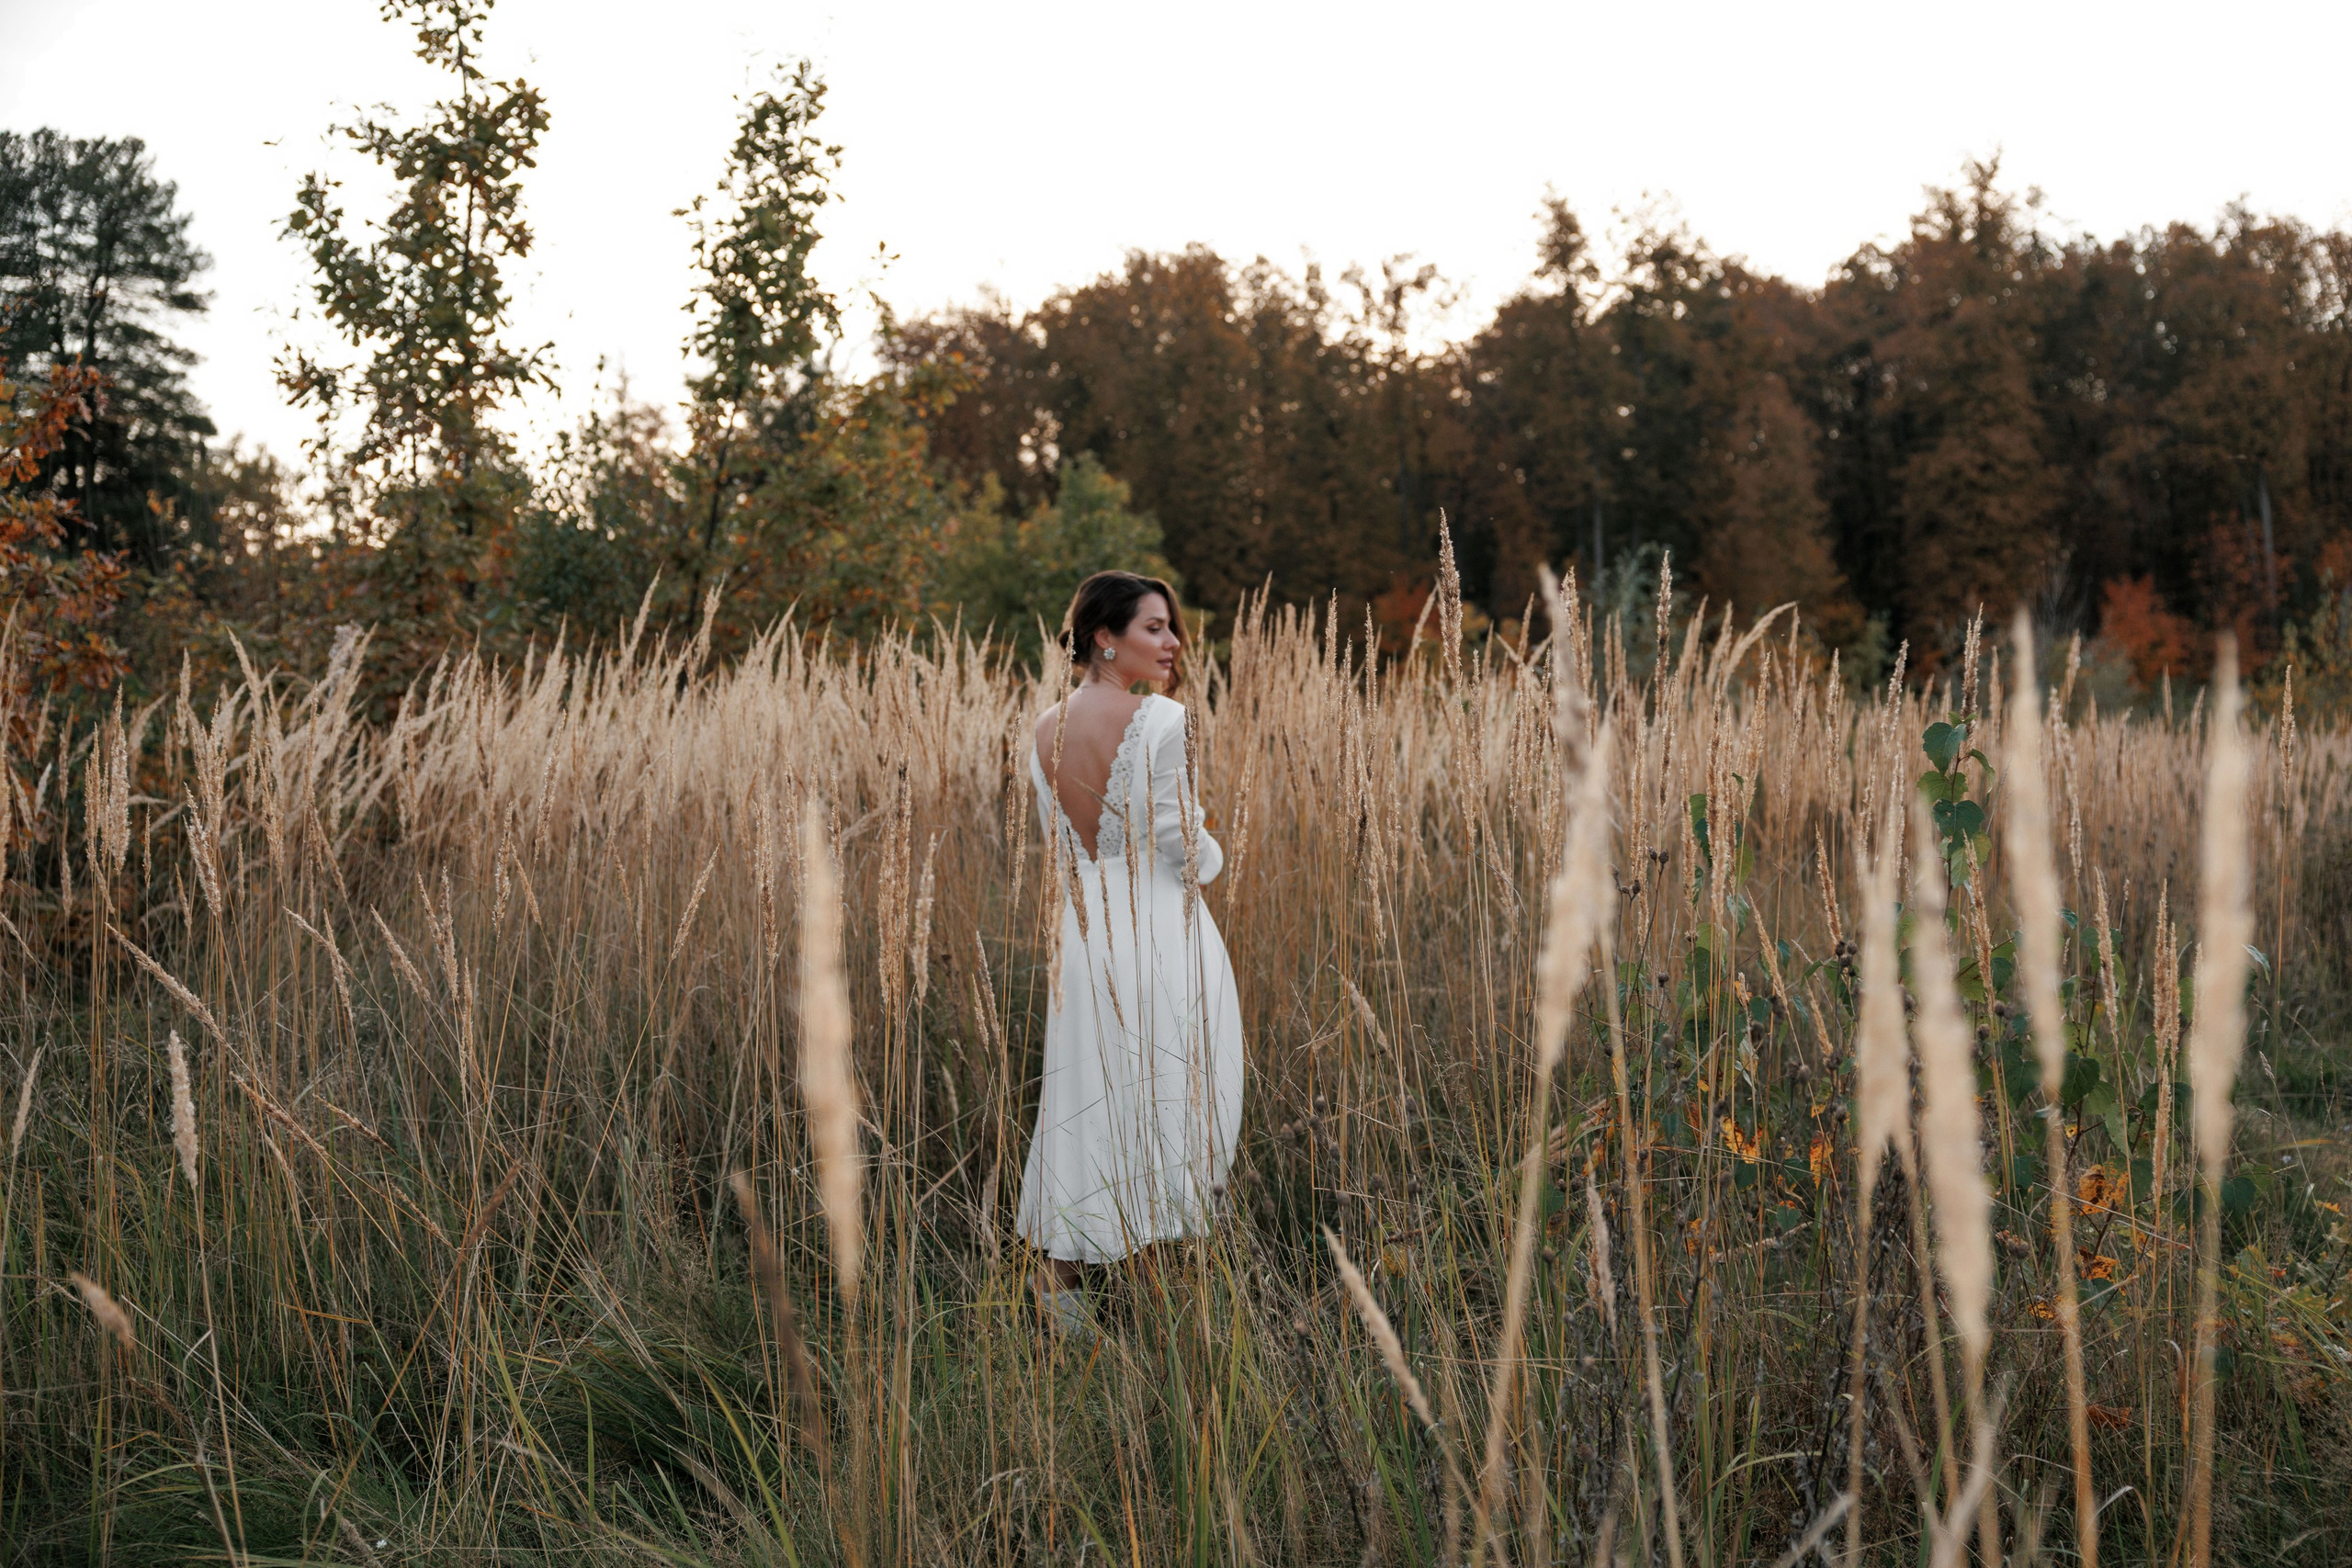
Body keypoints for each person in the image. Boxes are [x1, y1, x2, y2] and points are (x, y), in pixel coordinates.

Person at [1014, 570, 1245, 1340]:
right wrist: (1215, 852)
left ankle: (1060, 1301)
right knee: (1169, 1102)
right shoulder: (1162, 719)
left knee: (1086, 1108)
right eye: (1154, 627)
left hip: (1083, 942)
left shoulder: (1043, 727)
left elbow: (1059, 847)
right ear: (1104, 637)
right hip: (1156, 936)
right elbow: (1186, 849)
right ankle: (1166, 1308)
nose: (1174, 641)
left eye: (1171, 626)